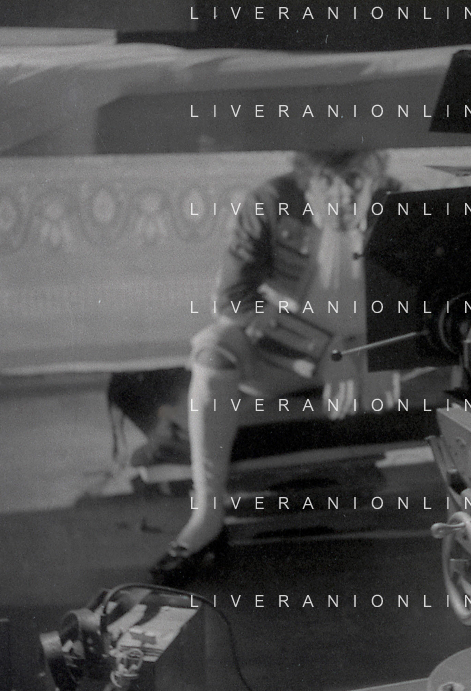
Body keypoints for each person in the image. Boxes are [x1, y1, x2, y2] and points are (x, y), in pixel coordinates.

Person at [150, 148, 395, 584]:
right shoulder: (269, 201)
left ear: (375, 172)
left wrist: (377, 353)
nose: (343, 193)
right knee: (213, 351)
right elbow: (232, 299)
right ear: (307, 175)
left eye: (355, 178)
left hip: (367, 354)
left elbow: (420, 296)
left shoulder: (399, 203)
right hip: (288, 353)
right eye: (329, 179)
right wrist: (323, 351)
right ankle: (207, 515)